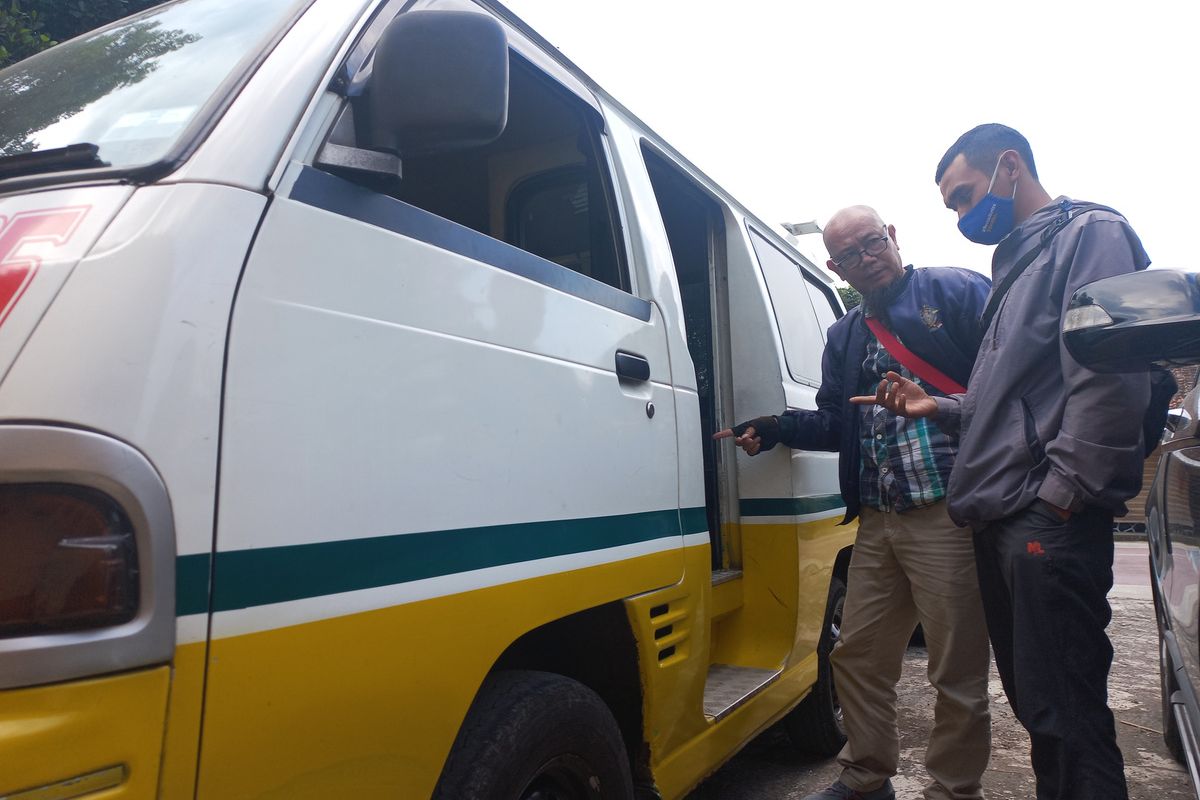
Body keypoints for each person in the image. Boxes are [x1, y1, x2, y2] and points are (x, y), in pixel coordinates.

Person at [853, 123, 1152, 800]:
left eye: (964, 197)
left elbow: (1112, 375)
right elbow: (1013, 398)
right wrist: (942, 407)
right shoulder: (1015, 264)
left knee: (1069, 715)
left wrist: (1064, 493)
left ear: (1009, 166)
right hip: (1005, 513)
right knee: (1042, 711)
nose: (962, 217)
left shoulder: (1088, 234)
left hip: (1044, 517)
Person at [714, 205, 992, 800]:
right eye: (850, 255)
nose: (866, 259)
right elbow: (840, 420)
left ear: (892, 237)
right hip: (878, 519)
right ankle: (867, 778)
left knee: (956, 670)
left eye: (873, 244)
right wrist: (780, 425)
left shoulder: (954, 290)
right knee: (856, 657)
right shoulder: (843, 335)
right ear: (833, 264)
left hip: (949, 511)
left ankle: (952, 789)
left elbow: (1008, 383)